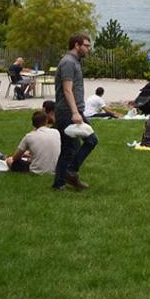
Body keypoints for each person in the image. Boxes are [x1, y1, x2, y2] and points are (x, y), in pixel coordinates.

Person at [52, 33, 97, 192]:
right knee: (90, 141)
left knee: (70, 148)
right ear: (77, 45)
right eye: (86, 45)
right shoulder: (68, 62)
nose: (88, 49)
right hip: (68, 111)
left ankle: (61, 181)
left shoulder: (75, 62)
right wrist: (75, 112)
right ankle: (70, 173)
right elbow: (67, 89)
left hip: (74, 110)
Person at [8, 110, 62, 175]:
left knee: (9, 160)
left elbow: (15, 158)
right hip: (56, 168)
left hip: (37, 170)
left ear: (33, 123)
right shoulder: (56, 132)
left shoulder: (29, 136)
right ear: (46, 121)